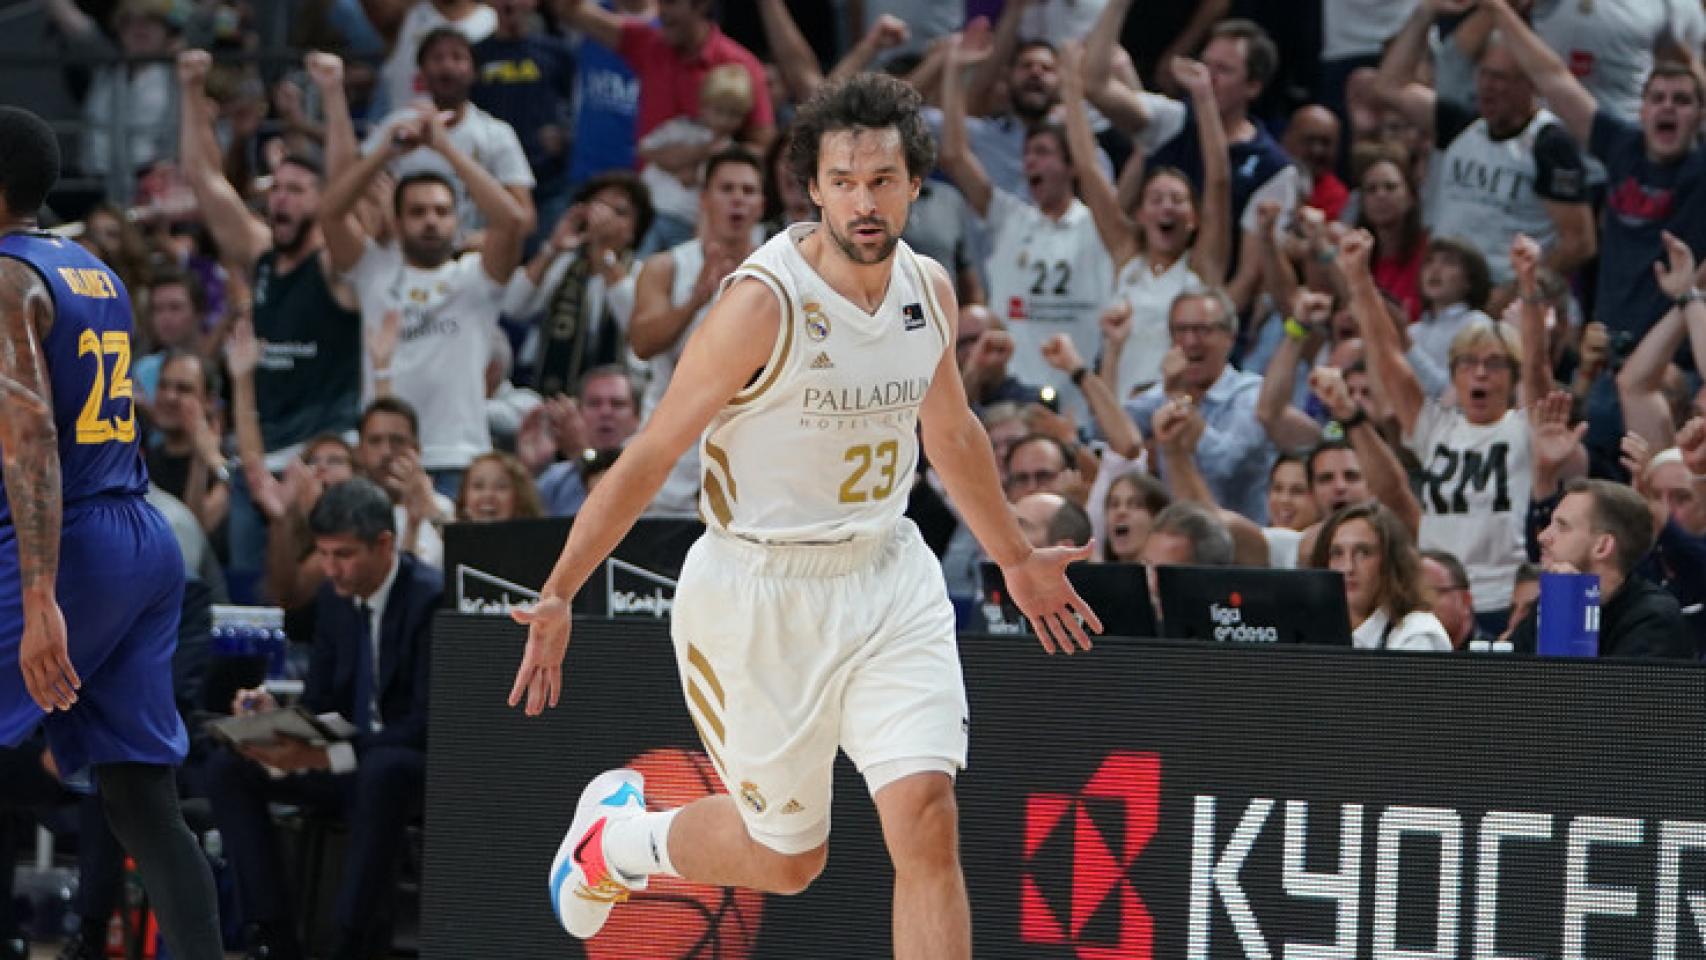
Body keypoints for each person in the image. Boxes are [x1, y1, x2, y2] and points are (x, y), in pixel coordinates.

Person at [506, 74, 1098, 954]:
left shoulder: (927, 288)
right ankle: (620, 843)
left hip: (887, 577)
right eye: (846, 181)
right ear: (814, 187)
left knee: (928, 820)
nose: (865, 201)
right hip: (760, 593)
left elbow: (952, 430)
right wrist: (559, 592)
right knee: (787, 861)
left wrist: (1012, 555)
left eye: (884, 180)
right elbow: (652, 451)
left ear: (913, 184)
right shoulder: (762, 304)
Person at [0, 105, 223, 960]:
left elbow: (32, 441)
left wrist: (38, 594)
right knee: (141, 804)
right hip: (141, 532)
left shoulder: (7, 279)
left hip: (73, 547)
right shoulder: (90, 270)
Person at [206, 477, 441, 960]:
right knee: (228, 768)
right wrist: (276, 721)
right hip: (344, 759)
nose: (331, 568)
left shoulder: (429, 599)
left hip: (410, 768)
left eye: (344, 554)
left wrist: (331, 752)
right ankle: (271, 935)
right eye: (325, 553)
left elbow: (425, 725)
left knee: (383, 770)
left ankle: (348, 941)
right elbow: (321, 701)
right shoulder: (335, 599)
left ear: (384, 544)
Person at [327, 101, 529, 498]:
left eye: (441, 211)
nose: (432, 221)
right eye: (418, 212)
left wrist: (446, 149)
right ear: (398, 222)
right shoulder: (373, 270)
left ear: (457, 222)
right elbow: (330, 215)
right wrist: (384, 150)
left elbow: (513, 221)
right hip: (382, 459)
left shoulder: (477, 277)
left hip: (460, 456)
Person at [1483, 0, 1706, 346]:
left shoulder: (1701, 169)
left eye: (1682, 100)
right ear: (1641, 109)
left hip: (1675, 358)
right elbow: (1553, 78)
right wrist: (1498, 10)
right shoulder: (1621, 146)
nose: (1668, 107)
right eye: (1658, 98)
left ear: (1700, 116)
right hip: (1605, 351)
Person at [1374, 0, 1596, 293]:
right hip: (1444, 292)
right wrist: (1424, 13)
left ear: (1530, 85)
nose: (1488, 87)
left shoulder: (1549, 143)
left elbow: (1579, 244)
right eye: (1484, 75)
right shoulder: (1461, 124)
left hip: (1508, 296)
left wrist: (1514, 293)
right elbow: (1389, 86)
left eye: (1501, 78)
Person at [363, 26, 538, 237]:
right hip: (403, 254)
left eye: (457, 57)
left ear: (474, 71)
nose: (447, 66)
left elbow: (526, 219)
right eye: (437, 58)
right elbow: (349, 187)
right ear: (421, 72)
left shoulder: (497, 133)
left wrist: (479, 243)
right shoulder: (397, 127)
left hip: (473, 257)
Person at [1507, 479, 1690, 658]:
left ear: (1602, 546)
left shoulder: (1654, 619)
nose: (1543, 536)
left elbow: (1587, 686)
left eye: (1562, 526)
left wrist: (1571, 607)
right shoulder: (1553, 599)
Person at [1313, 503, 1452, 651]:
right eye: (1337, 553)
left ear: (1391, 562)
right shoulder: (1316, 633)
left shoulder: (1417, 634)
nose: (1347, 567)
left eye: (1363, 553)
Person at [1421, 548, 1487, 650]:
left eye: (1431, 593)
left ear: (1465, 600)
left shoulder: (1497, 659)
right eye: (1412, 596)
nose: (1420, 604)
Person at [456, 450, 544, 521]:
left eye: (500, 487)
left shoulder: (543, 541)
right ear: (464, 496)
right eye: (478, 486)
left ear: (520, 497)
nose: (488, 495)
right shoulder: (448, 541)